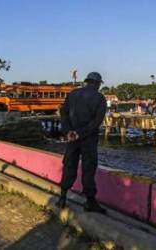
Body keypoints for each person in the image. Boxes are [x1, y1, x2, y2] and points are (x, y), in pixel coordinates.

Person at [57, 72, 107, 214]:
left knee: (69, 165)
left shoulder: (73, 94)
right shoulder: (99, 97)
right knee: (88, 168)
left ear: (87, 81)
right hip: (88, 138)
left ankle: (62, 198)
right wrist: (81, 133)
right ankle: (90, 202)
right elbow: (96, 122)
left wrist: (68, 131)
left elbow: (63, 113)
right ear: (97, 84)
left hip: (72, 136)